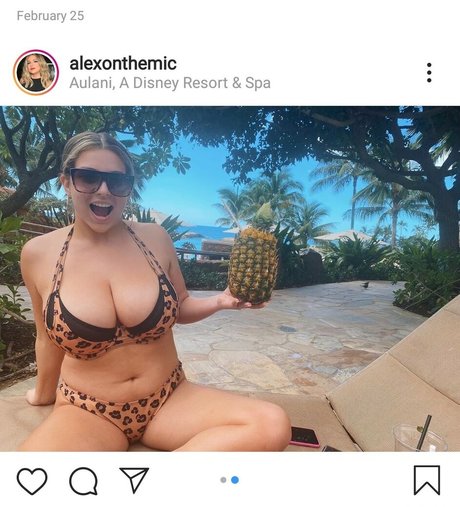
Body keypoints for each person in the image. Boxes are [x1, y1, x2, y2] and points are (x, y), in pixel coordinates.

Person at [19, 131, 291, 451]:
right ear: (66, 181)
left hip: (169, 399)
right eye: (88, 177)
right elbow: (45, 339)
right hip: (87, 410)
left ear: (129, 187)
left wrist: (221, 300)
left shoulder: (155, 238)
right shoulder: (39, 253)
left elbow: (181, 305)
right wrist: (43, 394)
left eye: (118, 181)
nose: (104, 190)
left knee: (271, 423)